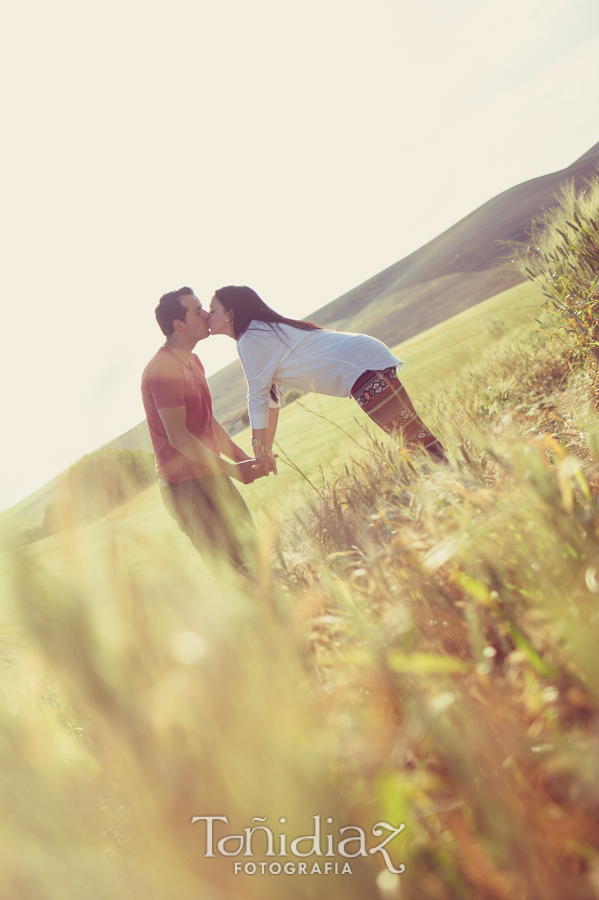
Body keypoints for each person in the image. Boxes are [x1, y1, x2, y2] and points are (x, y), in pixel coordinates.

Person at [208, 285, 446, 475]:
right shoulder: (258, 334)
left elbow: (257, 396)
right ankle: (453, 482)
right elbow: (270, 398)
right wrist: (265, 450)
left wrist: (259, 449)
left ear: (230, 314)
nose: (208, 316)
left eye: (212, 310)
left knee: (413, 438)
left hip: (362, 368)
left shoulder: (251, 337)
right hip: (364, 363)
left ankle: (456, 484)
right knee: (412, 436)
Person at [141, 286, 264, 572]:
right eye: (198, 312)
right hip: (184, 489)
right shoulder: (162, 370)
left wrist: (242, 458)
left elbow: (207, 421)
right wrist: (233, 471)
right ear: (178, 325)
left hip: (210, 473)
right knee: (232, 570)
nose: (207, 315)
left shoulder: (193, 361)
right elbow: (179, 437)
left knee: (253, 552)